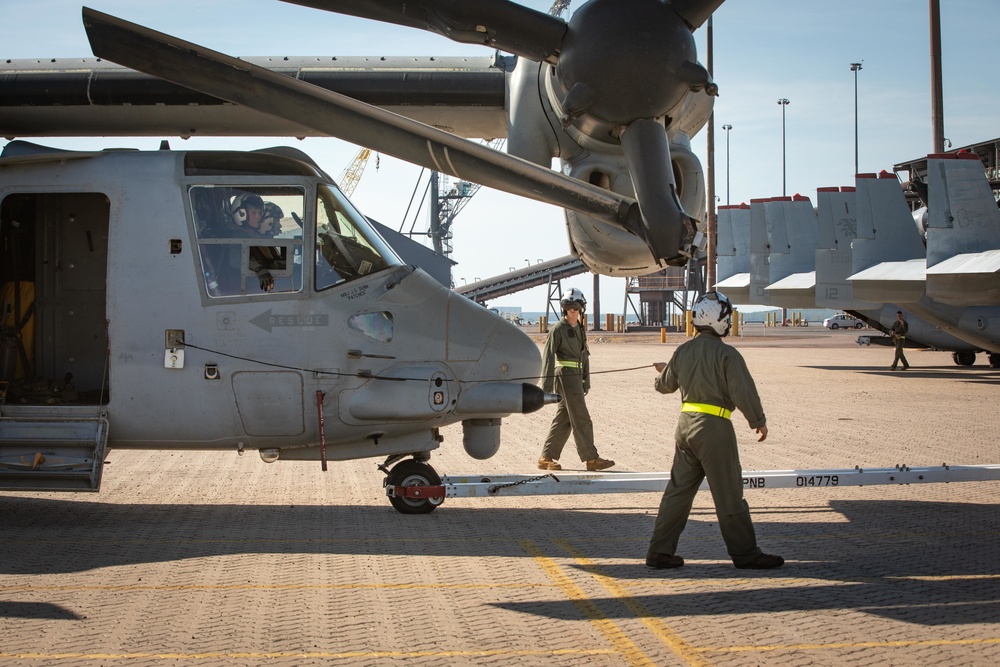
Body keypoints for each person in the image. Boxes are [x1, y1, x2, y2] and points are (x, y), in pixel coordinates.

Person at [646, 291, 784, 570]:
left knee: (678, 493)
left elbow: (664, 386)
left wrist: (664, 371)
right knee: (729, 494)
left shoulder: (683, 350)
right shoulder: (727, 354)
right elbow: (743, 390)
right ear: (719, 320)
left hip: (685, 428)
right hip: (714, 429)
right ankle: (746, 554)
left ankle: (659, 551)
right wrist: (757, 420)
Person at [537, 288, 615, 472]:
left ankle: (545, 457)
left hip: (576, 376)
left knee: (564, 418)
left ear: (581, 308)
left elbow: (584, 356)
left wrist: (585, 381)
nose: (572, 309)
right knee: (581, 417)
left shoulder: (579, 328)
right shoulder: (558, 329)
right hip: (565, 374)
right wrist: (546, 386)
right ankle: (591, 458)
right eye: (568, 306)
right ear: (563, 308)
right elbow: (548, 357)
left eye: (576, 306)